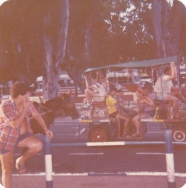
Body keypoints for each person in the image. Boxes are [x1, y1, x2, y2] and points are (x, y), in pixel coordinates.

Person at [0, 82, 53, 188]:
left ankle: (20, 161)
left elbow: (37, 116)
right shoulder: (5, 106)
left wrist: (46, 129)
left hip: (23, 137)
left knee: (37, 145)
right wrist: (25, 108)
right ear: (20, 94)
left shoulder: (28, 103)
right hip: (7, 138)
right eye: (27, 93)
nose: (29, 95)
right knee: (7, 169)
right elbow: (15, 124)